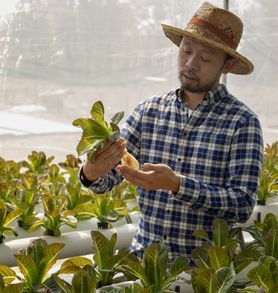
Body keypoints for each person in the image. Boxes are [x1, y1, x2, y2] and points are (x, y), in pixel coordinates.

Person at [78, 1, 264, 262]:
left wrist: (178, 185)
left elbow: (242, 204)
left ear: (228, 66)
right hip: (145, 264)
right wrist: (91, 171)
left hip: (204, 276)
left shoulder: (242, 122)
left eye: (206, 58)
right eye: (186, 51)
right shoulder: (149, 111)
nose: (191, 64)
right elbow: (108, 178)